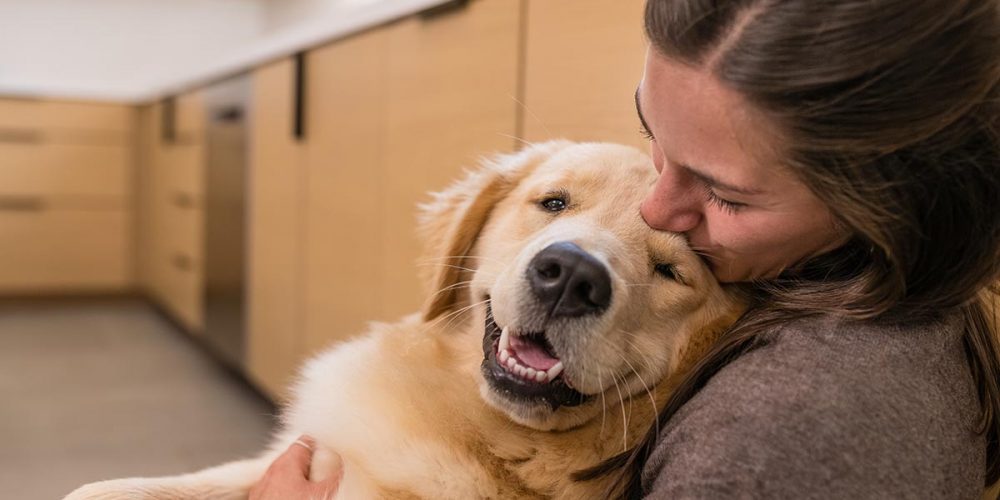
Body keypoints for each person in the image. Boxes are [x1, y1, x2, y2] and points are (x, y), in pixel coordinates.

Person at [251, 0, 1000, 498]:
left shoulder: (777, 441)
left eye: (724, 194)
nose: (655, 206)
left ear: (889, 205)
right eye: (653, 130)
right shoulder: (907, 298)